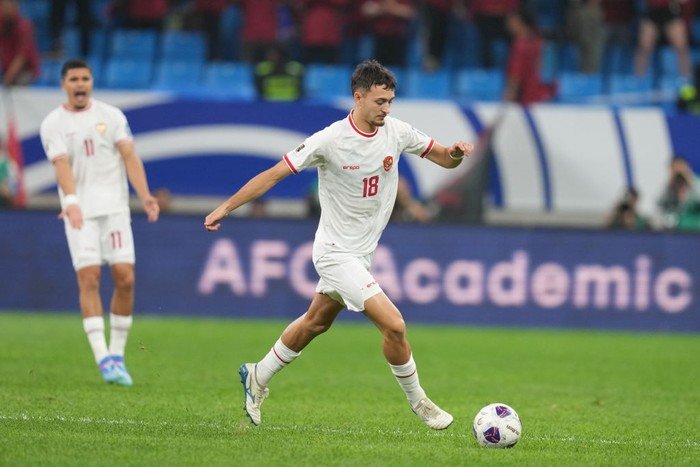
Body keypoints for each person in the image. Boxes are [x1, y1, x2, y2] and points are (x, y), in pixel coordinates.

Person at [204, 59, 473, 429]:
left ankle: (257, 375)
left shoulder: (396, 131)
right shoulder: (329, 140)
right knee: (394, 325)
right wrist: (224, 208)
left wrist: (455, 152)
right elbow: (273, 175)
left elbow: (444, 159)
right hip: (334, 253)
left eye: (390, 101)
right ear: (358, 97)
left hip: (362, 254)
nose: (386, 109)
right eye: (379, 102)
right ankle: (420, 402)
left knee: (315, 322)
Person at [39, 59, 160, 386]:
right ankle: (103, 357)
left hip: (115, 210)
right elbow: (61, 166)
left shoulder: (112, 115)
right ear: (63, 84)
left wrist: (145, 195)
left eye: (85, 78)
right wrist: (72, 202)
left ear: (91, 82)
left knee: (126, 278)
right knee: (90, 278)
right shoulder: (53, 123)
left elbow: (129, 155)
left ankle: (118, 355)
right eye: (74, 79)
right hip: (80, 212)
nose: (80, 84)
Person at [503, 6, 556, 105]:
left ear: (519, 22)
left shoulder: (520, 45)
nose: (508, 24)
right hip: (543, 96)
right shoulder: (539, 41)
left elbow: (516, 74)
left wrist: (509, 94)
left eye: (510, 21)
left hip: (526, 99)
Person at [634, 0, 692, 79]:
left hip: (671, 12)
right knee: (643, 49)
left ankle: (686, 80)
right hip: (651, 13)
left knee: (682, 49)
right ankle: (639, 80)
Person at [0, 0, 40, 87]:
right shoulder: (1, 24)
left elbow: (22, 56)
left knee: (20, 82)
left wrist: (8, 77)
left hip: (25, 71)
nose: (7, 9)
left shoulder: (25, 26)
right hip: (5, 68)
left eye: (10, 6)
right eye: (4, 6)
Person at [658, 156, 700, 231]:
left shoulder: (696, 183)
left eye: (681, 167)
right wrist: (669, 184)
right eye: (675, 168)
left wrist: (689, 181)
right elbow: (659, 204)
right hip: (677, 228)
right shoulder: (670, 186)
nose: (679, 171)